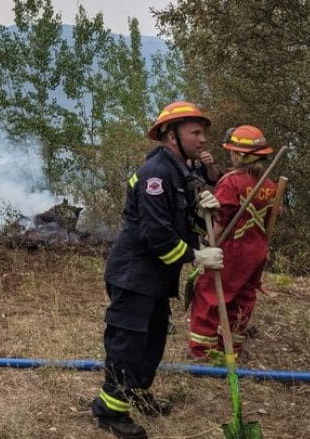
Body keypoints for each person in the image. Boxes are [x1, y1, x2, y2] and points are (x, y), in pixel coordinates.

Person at [90, 101, 225, 439]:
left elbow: (178, 221)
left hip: (155, 279)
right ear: (171, 136)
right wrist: (197, 257)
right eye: (196, 132)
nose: (203, 139)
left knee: (151, 342)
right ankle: (109, 409)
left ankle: (135, 392)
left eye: (203, 132)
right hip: (134, 276)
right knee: (128, 343)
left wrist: (202, 208)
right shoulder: (156, 175)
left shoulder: (181, 172)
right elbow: (156, 235)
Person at [188, 125, 276, 360]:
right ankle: (232, 349)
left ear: (240, 155)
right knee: (243, 299)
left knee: (210, 296)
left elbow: (221, 219)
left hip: (231, 250)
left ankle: (204, 352)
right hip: (256, 252)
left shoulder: (231, 182)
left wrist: (208, 245)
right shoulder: (269, 185)